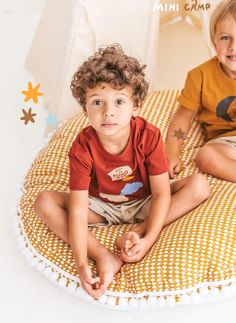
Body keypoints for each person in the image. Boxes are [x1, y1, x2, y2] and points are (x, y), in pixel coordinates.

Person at [33, 44, 209, 299]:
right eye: (97, 102)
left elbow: (161, 193)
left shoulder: (148, 135)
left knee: (200, 185)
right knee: (43, 202)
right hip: (101, 205)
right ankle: (104, 256)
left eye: (119, 101)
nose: (108, 112)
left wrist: (147, 238)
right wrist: (82, 263)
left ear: (135, 105)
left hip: (145, 201)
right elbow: (80, 211)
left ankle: (137, 230)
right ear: (85, 109)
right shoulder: (82, 148)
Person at [166, 0, 236, 183]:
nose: (233, 47)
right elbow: (182, 117)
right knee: (205, 156)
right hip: (226, 144)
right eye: (225, 38)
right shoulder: (200, 76)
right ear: (214, 41)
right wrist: (171, 154)